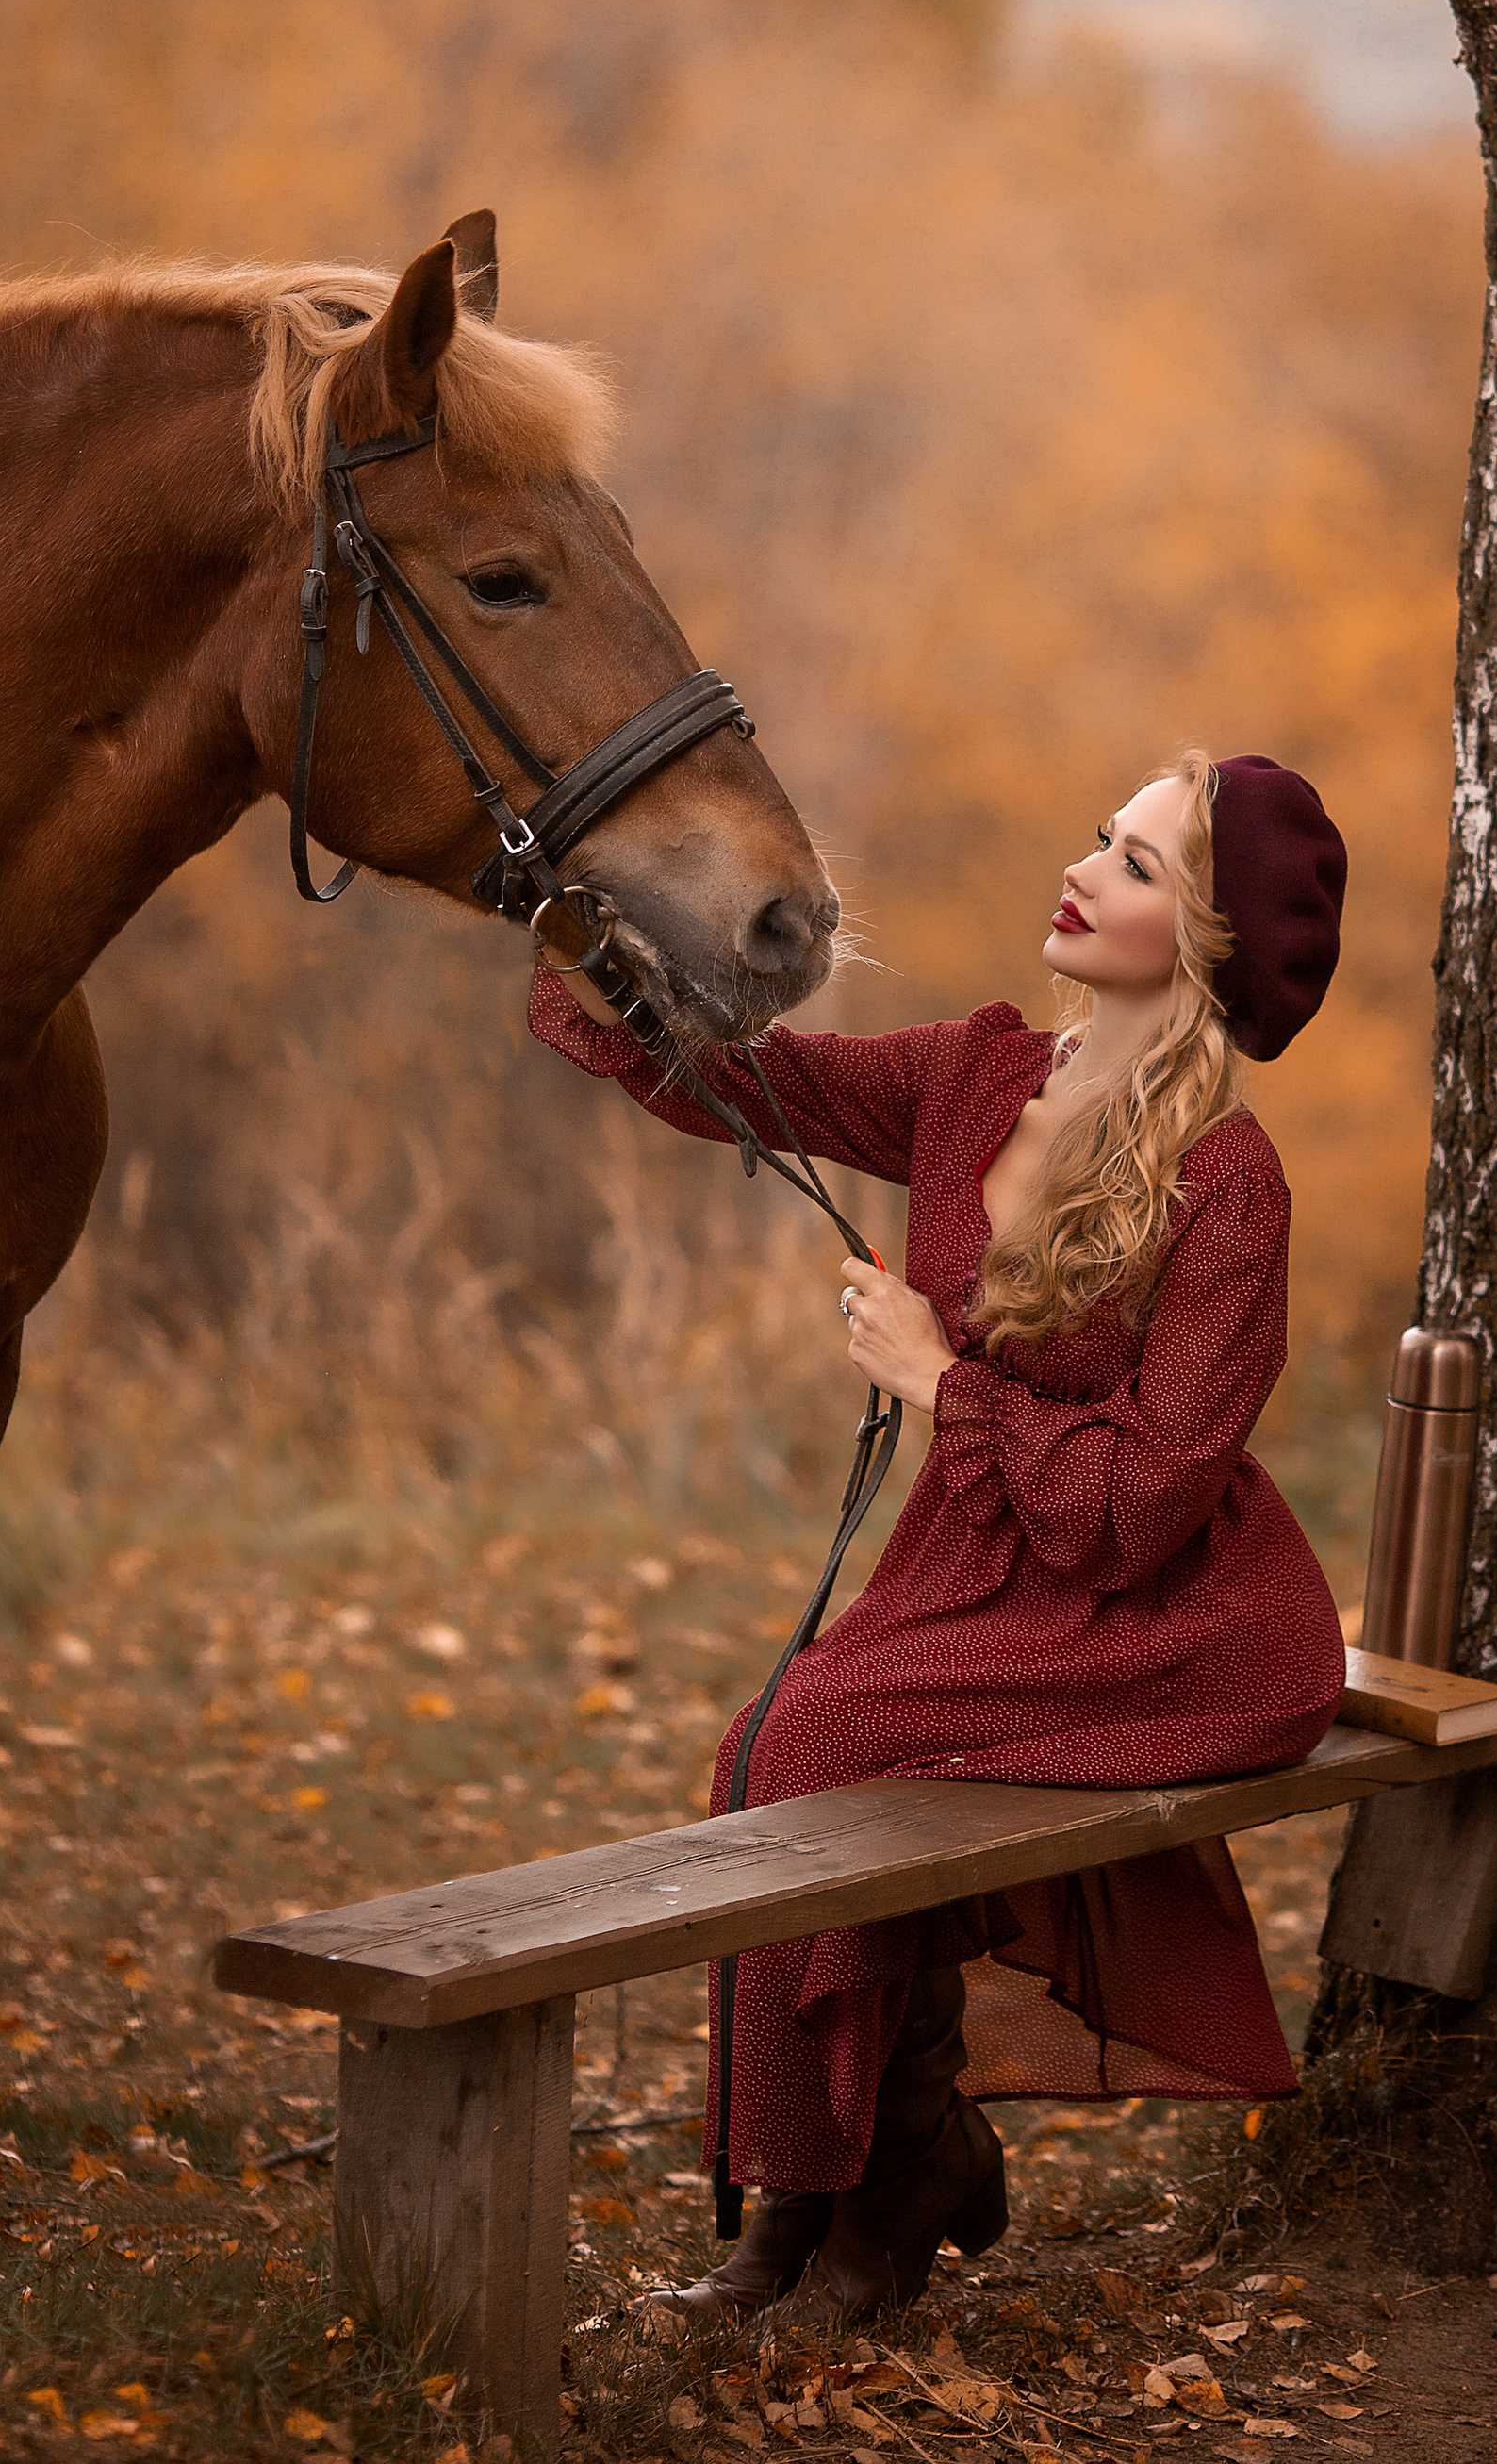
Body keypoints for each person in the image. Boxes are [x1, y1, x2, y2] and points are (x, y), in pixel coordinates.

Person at [526, 747, 1350, 2319]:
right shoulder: (979, 1077)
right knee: (774, 1748)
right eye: (1097, 836)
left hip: (1174, 1625)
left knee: (809, 1742)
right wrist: (599, 937)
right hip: (983, 1585)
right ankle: (819, 2198)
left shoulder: (1227, 1187)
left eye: (1138, 865)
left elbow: (1136, 1505)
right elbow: (751, 1087)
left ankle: (881, 2195)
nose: (1085, 868)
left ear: (1212, 942)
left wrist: (939, 1380)